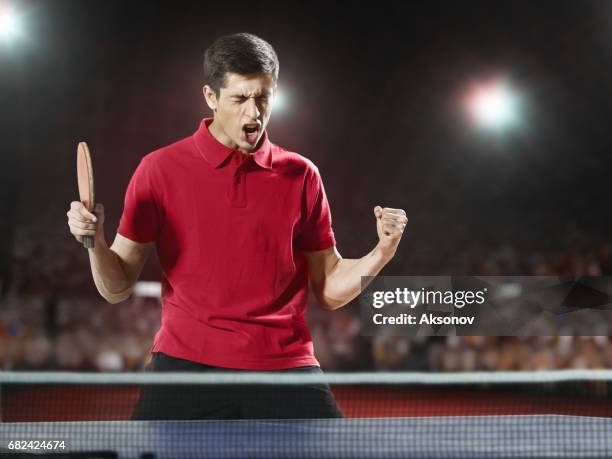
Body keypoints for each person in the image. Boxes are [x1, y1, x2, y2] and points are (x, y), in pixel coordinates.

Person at [66, 32, 408, 420]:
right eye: (240, 98)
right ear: (211, 98)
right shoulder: (158, 170)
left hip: (285, 366)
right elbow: (118, 287)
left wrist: (382, 253)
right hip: (186, 367)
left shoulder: (302, 175)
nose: (254, 113)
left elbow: (328, 287)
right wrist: (94, 242)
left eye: (263, 97)